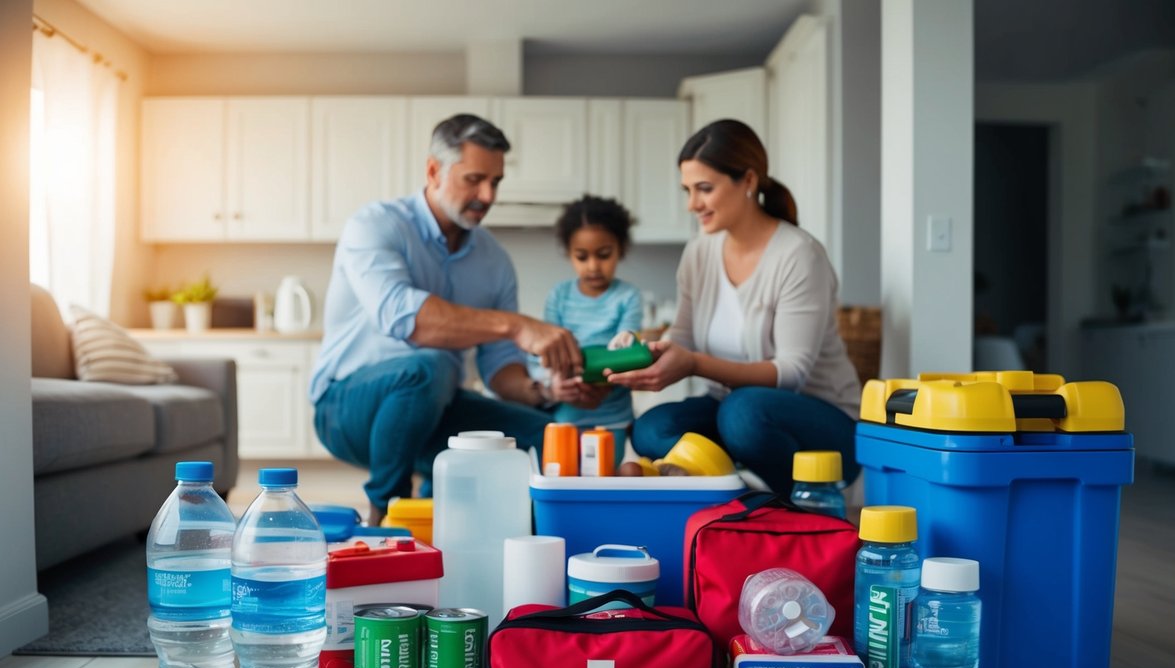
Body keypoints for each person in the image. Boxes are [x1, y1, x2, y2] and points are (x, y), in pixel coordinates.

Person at [309, 113, 594, 525]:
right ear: (433, 170)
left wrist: (545, 388)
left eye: (495, 182)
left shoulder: (493, 261)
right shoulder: (376, 226)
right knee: (431, 365)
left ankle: (475, 521)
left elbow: (500, 370)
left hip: (434, 406)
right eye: (474, 179)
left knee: (547, 437)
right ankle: (384, 516)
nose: (488, 195)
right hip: (345, 408)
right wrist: (516, 324)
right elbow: (407, 320)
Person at [607, 119, 861, 498]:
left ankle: (785, 502)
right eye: (688, 190)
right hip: (730, 412)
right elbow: (683, 335)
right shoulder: (699, 252)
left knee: (743, 413)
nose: (693, 204)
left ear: (748, 181)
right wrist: (643, 353)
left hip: (818, 422)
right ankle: (743, 499)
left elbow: (790, 373)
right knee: (651, 429)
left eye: (704, 189)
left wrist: (693, 363)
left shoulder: (798, 255)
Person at [538, 195, 644, 464]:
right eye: (582, 257)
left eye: (604, 255)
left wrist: (626, 346)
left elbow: (628, 352)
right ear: (569, 253)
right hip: (566, 416)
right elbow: (545, 353)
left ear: (621, 249)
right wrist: (554, 381)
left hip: (613, 417)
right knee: (564, 478)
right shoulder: (559, 296)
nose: (593, 266)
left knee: (606, 482)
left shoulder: (628, 297)